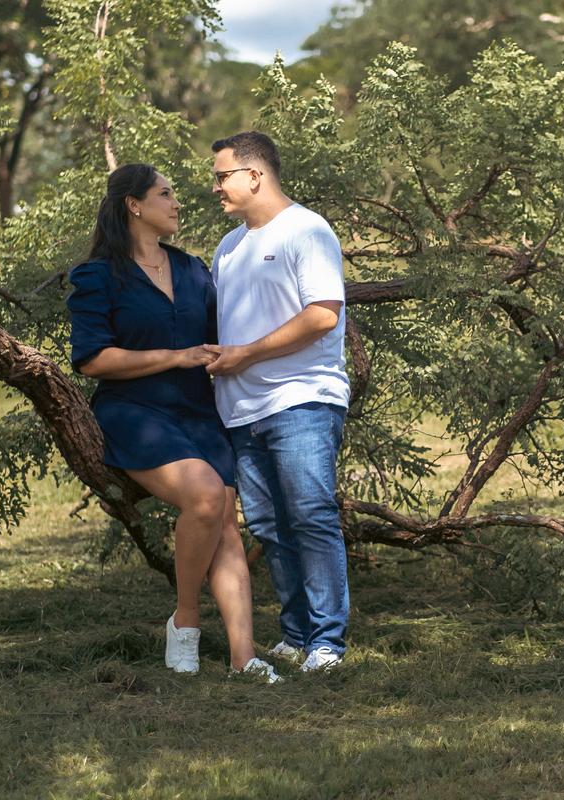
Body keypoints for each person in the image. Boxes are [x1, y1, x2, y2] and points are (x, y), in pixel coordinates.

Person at [67, 163, 279, 682]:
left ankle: (244, 659)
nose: (177, 203)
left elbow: (226, 330)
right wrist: (175, 357)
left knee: (225, 521)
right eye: (165, 194)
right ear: (134, 205)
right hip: (134, 411)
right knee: (206, 496)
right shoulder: (97, 276)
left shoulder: (192, 270)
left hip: (201, 411)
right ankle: (185, 620)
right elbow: (92, 358)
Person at [203, 131, 351, 672]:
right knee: (268, 526)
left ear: (254, 176)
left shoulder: (306, 230)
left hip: (302, 400)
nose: (215, 187)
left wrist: (246, 354)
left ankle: (328, 643)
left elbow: (323, 315)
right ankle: (296, 634)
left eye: (222, 176)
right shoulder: (227, 248)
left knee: (310, 517)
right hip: (241, 410)